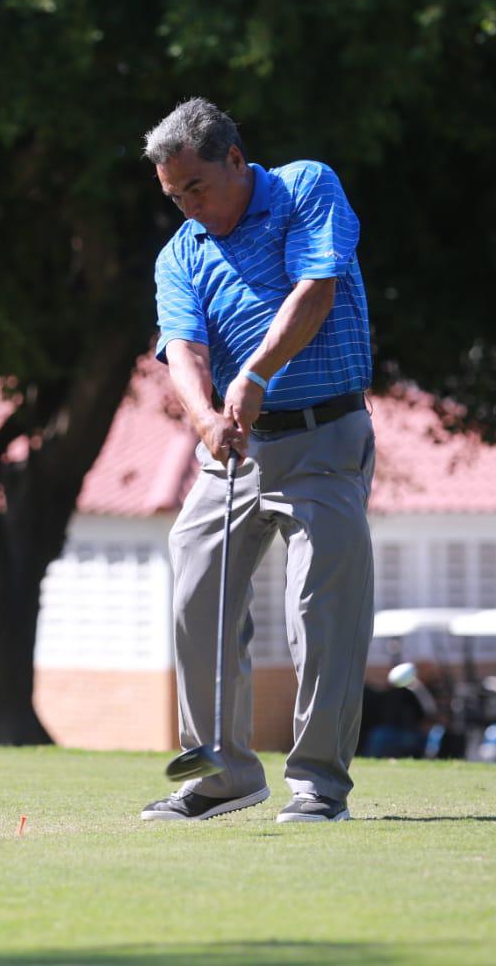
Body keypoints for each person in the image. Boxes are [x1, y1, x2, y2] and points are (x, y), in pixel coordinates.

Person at [138, 98, 375, 824]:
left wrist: (256, 374)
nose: (186, 206)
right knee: (195, 582)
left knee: (320, 612)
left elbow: (317, 288)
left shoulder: (306, 187)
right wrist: (206, 416)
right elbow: (184, 349)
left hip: (325, 437)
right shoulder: (181, 252)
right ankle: (223, 775)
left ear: (235, 160)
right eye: (173, 195)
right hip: (236, 449)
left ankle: (319, 785)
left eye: (195, 188)